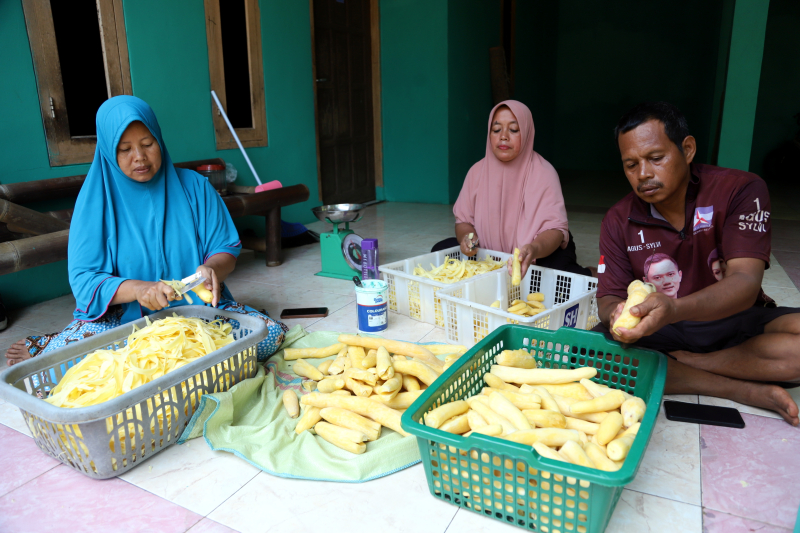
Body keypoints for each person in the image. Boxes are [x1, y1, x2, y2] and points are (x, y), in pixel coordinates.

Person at [5, 96, 288, 367]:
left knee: (270, 335)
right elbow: (85, 280)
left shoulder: (196, 188)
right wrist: (141, 290)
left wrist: (212, 268)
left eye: (147, 143)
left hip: (198, 313)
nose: (139, 157)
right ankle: (45, 345)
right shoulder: (95, 203)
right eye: (125, 149)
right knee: (71, 364)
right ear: (107, 150)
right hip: (122, 320)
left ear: (159, 138)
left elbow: (224, 248)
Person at [594, 101, 800, 425]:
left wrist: (675, 309)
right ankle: (743, 390)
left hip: (732, 318)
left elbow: (746, 283)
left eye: (656, 158)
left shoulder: (740, 189)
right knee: (594, 357)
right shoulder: (619, 219)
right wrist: (617, 314)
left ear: (687, 149)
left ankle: (689, 364)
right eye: (631, 164)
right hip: (663, 330)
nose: (643, 174)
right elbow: (608, 298)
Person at [434, 100, 593, 277]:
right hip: (488, 253)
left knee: (553, 277)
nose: (503, 136)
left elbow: (555, 230)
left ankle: (593, 274)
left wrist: (533, 249)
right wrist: (468, 239)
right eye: (496, 130)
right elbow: (463, 221)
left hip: (539, 250)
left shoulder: (544, 172)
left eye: (513, 129)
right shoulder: (476, 172)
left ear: (525, 133)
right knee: (440, 251)